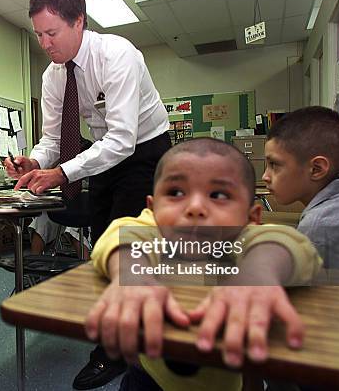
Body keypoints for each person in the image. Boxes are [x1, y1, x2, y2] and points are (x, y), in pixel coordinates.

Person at [5, 0, 172, 386]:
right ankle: (119, 338)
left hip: (145, 151)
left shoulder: (118, 55)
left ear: (79, 21)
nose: (45, 44)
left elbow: (123, 140)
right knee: (101, 249)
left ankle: (122, 351)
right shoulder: (53, 75)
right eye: (39, 35)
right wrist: (37, 161)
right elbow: (51, 140)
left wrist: (62, 173)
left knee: (127, 251)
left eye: (52, 33)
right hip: (104, 154)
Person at [85, 138, 322, 390]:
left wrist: (260, 271)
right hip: (148, 379)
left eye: (218, 195)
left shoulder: (245, 240)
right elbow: (123, 233)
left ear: (250, 217)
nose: (195, 207)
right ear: (153, 209)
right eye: (176, 193)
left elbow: (292, 245)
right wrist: (131, 274)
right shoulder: (154, 231)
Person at [262, 106, 339, 272]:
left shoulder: (320, 225)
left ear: (316, 169)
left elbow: (304, 292)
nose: (265, 176)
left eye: (274, 165)